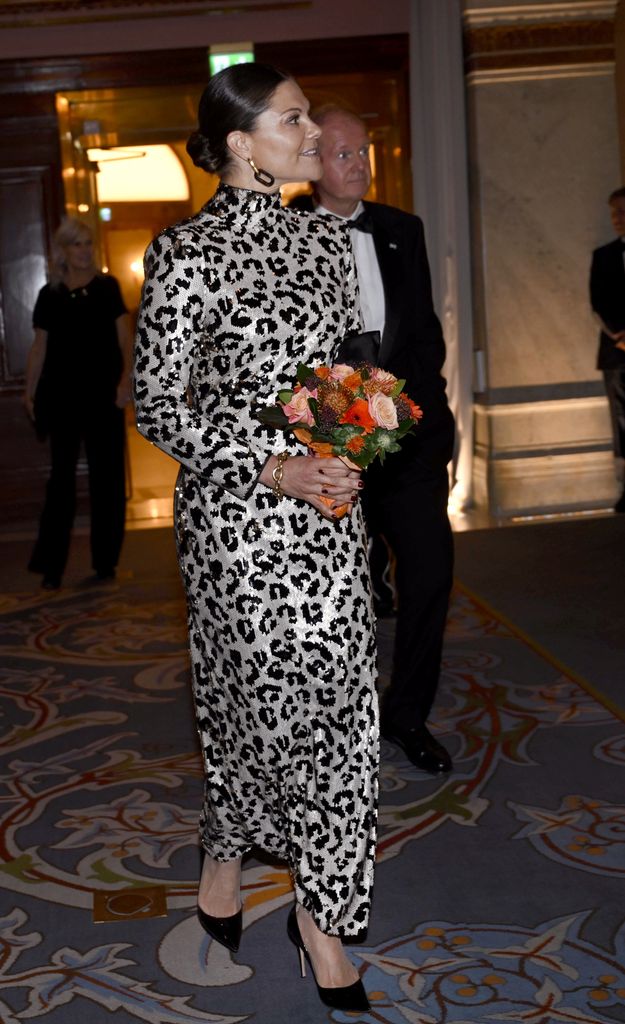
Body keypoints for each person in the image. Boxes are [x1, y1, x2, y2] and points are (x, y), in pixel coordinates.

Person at [133, 64, 377, 1013]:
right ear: (239, 142)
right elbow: (155, 405)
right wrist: (274, 468)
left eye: (308, 114)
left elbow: (348, 374)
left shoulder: (324, 240)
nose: (312, 128)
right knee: (266, 716)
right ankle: (278, 894)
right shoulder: (186, 252)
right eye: (293, 118)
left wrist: (354, 448)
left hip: (328, 514)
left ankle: (286, 893)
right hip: (240, 527)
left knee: (341, 716)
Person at [291, 106, 455, 775]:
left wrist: (427, 417)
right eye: (341, 153)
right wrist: (323, 428)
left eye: (362, 152)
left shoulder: (400, 229)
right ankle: (335, 721)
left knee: (431, 573)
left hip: (405, 429)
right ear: (311, 161)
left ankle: (408, 714)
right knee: (331, 593)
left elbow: (421, 332)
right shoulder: (283, 232)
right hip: (325, 433)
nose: (356, 164)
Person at [24, 218, 132, 590]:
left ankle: (105, 562)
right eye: (77, 245)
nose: (85, 250)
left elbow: (125, 340)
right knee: (61, 482)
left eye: (88, 243)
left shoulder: (108, 288)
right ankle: (51, 566)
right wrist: (29, 388)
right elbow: (40, 346)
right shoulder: (48, 294)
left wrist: (125, 381)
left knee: (108, 479)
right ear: (64, 251)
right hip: (61, 397)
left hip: (103, 396)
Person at [590, 186, 625, 513]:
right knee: (621, 419)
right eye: (614, 212)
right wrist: (620, 334)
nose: (617, 219)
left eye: (623, 211)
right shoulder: (603, 256)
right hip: (617, 351)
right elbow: (597, 303)